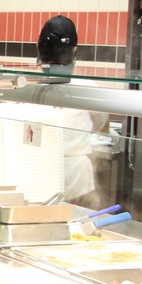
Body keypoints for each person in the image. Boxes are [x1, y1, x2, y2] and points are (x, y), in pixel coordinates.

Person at [37, 15, 108, 207]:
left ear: (39, 49)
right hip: (56, 171)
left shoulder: (24, 84)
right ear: (75, 50)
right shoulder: (89, 87)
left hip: (44, 171)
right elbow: (100, 124)